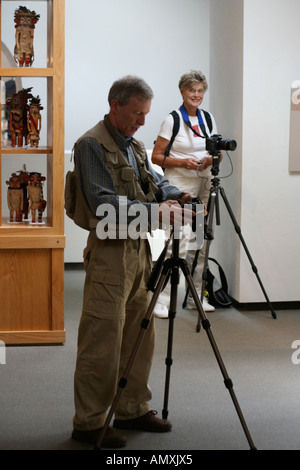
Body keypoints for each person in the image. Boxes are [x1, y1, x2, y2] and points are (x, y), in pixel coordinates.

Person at [71, 75, 195, 448]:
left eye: (145, 114)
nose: (142, 122)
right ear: (115, 105)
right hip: (109, 254)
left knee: (140, 336)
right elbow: (102, 202)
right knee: (103, 340)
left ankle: (132, 407)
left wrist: (179, 195)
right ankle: (90, 421)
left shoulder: (134, 146)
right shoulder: (91, 145)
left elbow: (154, 184)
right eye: (136, 114)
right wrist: (157, 210)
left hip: (140, 251)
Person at [151, 70, 222, 318]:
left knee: (200, 243)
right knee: (176, 244)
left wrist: (209, 159)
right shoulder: (172, 120)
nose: (196, 95)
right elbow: (156, 156)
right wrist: (183, 162)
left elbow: (218, 152)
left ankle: (195, 296)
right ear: (183, 92)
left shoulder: (208, 118)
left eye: (200, 90)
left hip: (203, 184)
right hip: (179, 186)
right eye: (192, 90)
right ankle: (162, 299)